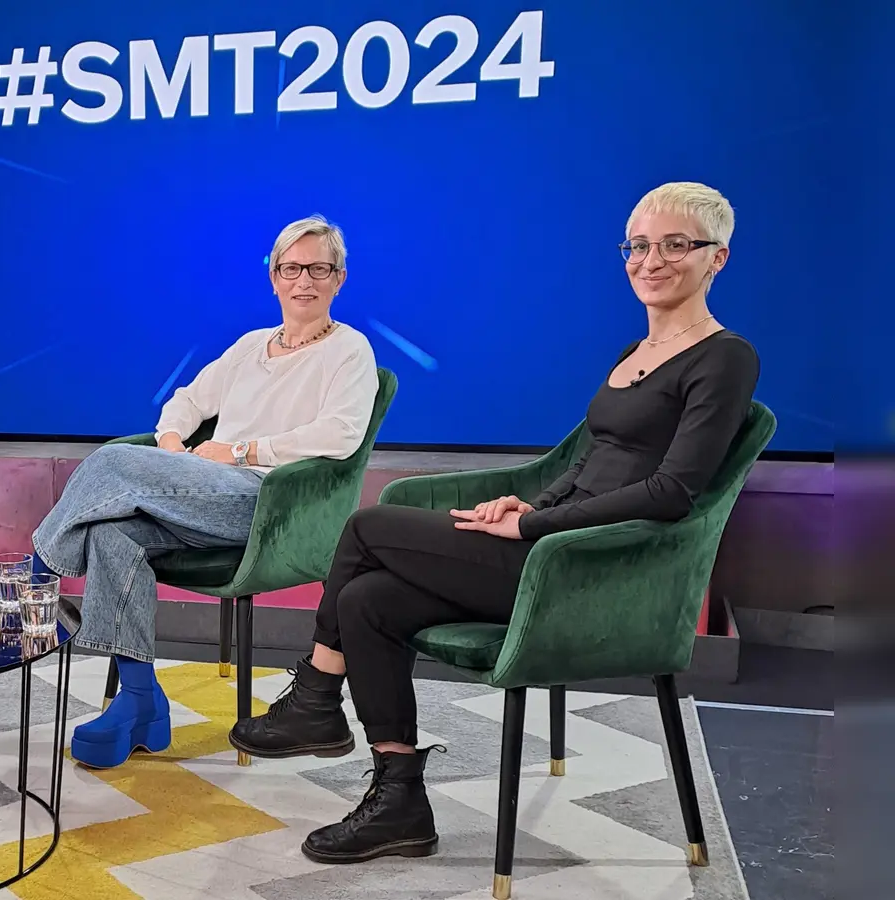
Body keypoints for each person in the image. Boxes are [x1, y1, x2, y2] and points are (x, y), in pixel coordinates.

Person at [229, 182, 761, 865]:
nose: (651, 260)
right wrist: (530, 506)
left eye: (675, 245)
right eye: (639, 245)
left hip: (583, 572)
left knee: (369, 527)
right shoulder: (635, 351)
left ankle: (316, 697)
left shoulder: (725, 357)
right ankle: (399, 802)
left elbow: (670, 494)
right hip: (550, 543)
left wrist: (537, 530)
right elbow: (596, 459)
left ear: (716, 258)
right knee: (368, 600)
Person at [33, 214, 381, 770]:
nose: (304, 281)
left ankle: (31, 583)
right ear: (273, 278)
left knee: (114, 460)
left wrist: (242, 452)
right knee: (113, 531)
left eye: (319, 269)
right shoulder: (249, 346)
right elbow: (187, 402)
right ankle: (141, 700)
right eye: (291, 268)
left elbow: (339, 436)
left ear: (340, 279)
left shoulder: (350, 350)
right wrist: (170, 450)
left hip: (270, 504)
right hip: (202, 491)